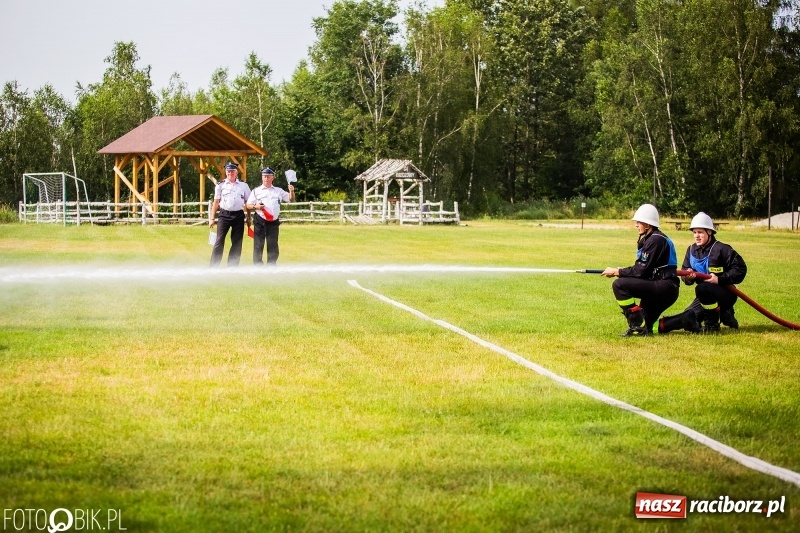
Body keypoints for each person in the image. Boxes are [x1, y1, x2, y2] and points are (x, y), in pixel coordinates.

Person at [658, 212, 747, 333]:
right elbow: (685, 275)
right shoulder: (691, 250)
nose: (696, 236)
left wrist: (719, 279)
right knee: (688, 316)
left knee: (702, 288)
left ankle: (712, 324)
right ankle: (663, 326)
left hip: (726, 294)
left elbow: (740, 269)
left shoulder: (722, 249)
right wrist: (688, 277)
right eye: (694, 232)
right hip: (706, 297)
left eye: (700, 232)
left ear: (709, 232)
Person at [601, 204, 679, 336]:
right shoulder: (651, 238)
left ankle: (636, 325)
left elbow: (640, 271)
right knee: (650, 327)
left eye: (639, 222)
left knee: (619, 285)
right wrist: (620, 271)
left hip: (664, 287)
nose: (636, 225)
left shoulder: (656, 240)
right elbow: (642, 271)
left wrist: (617, 272)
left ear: (648, 224)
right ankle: (686, 319)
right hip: (658, 285)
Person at [246, 167, 295, 265]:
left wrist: (292, 191)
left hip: (273, 222)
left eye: (268, 176)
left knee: (273, 244)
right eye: (264, 176)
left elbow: (291, 199)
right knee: (258, 244)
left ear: (273, 177)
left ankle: (272, 264)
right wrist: (256, 206)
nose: (266, 178)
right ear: (262, 177)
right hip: (260, 220)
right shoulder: (256, 191)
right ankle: (258, 265)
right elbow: (248, 205)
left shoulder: (278, 191)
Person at [209, 162, 251, 267]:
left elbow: (248, 203)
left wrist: (249, 217)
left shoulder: (243, 185)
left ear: (236, 172)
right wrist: (212, 218)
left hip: (238, 216)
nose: (230, 173)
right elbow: (216, 202)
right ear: (226, 172)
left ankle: (232, 267)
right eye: (228, 171)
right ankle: (213, 266)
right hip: (224, 215)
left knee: (237, 242)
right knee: (219, 241)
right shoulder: (220, 185)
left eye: (232, 171)